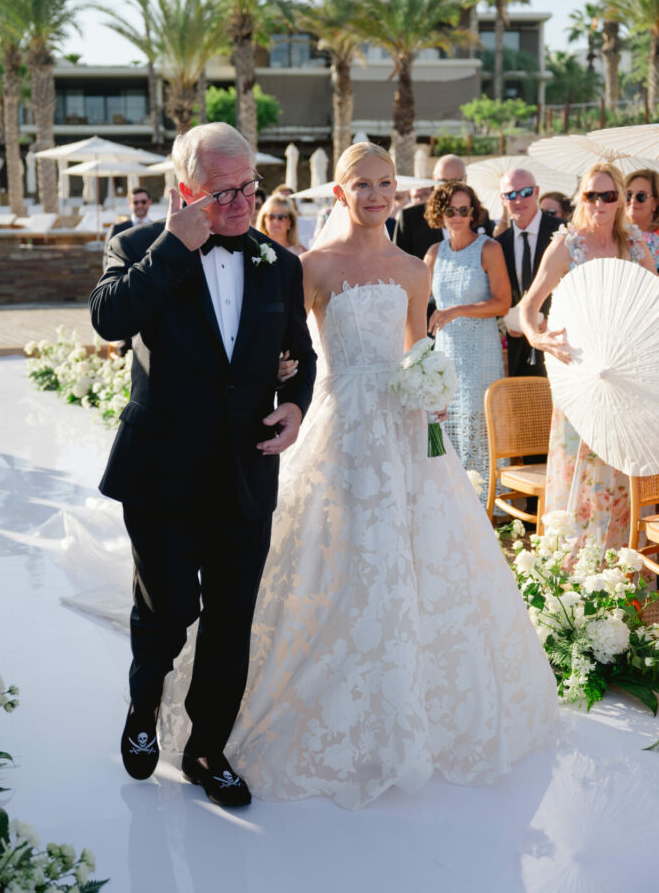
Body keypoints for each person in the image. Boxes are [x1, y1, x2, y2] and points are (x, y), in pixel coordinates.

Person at [217, 142, 558, 808]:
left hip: (404, 433)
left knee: (418, 556)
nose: (375, 194)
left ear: (397, 191)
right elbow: (290, 348)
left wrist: (432, 385)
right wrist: (280, 377)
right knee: (340, 556)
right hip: (340, 426)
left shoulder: (411, 267)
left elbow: (416, 347)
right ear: (339, 193)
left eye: (385, 183)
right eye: (361, 184)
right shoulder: (309, 266)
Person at [89, 122, 317, 807]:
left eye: (249, 188)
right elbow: (107, 318)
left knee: (229, 620)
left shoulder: (280, 263)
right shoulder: (137, 246)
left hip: (245, 473)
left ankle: (206, 748)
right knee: (165, 611)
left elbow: (298, 355)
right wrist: (175, 248)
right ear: (184, 192)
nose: (243, 203)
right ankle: (141, 711)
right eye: (223, 194)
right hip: (160, 471)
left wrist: (295, 405)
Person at [520, 162, 656, 552]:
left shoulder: (635, 246)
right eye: (591, 195)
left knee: (621, 479)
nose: (599, 202)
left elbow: (653, 303)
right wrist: (538, 337)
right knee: (578, 478)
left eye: (608, 195)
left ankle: (621, 583)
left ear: (621, 199)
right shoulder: (567, 245)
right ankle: (575, 585)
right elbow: (529, 306)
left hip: (626, 381)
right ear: (581, 198)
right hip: (579, 379)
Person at [424, 182, 511, 483]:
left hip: (482, 353)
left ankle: (490, 505)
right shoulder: (434, 253)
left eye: (464, 210)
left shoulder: (489, 248)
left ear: (473, 213)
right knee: (440, 420)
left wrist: (456, 310)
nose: (458, 216)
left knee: (478, 423)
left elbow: (503, 303)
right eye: (451, 210)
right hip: (446, 352)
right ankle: (443, 496)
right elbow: (417, 300)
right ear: (440, 213)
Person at [495, 168, 561, 377]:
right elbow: (494, 297)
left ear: (537, 192)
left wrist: (552, 322)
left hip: (558, 343)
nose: (518, 200)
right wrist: (505, 325)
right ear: (503, 199)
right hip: (517, 353)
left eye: (525, 192)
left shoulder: (563, 233)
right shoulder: (499, 244)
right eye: (511, 195)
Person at [103, 187, 154, 352]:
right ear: (129, 204)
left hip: (151, 288)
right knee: (126, 342)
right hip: (126, 288)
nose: (140, 205)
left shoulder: (157, 228)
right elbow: (108, 260)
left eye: (143, 201)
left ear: (149, 203)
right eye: (135, 202)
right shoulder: (118, 229)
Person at [393, 154, 466, 258]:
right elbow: (398, 263)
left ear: (465, 180)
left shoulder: (478, 215)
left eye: (455, 182)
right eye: (443, 182)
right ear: (434, 179)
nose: (449, 188)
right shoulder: (410, 218)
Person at [625, 170, 659, 269]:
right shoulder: (612, 235)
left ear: (655, 203)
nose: (633, 200)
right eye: (628, 195)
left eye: (641, 196)